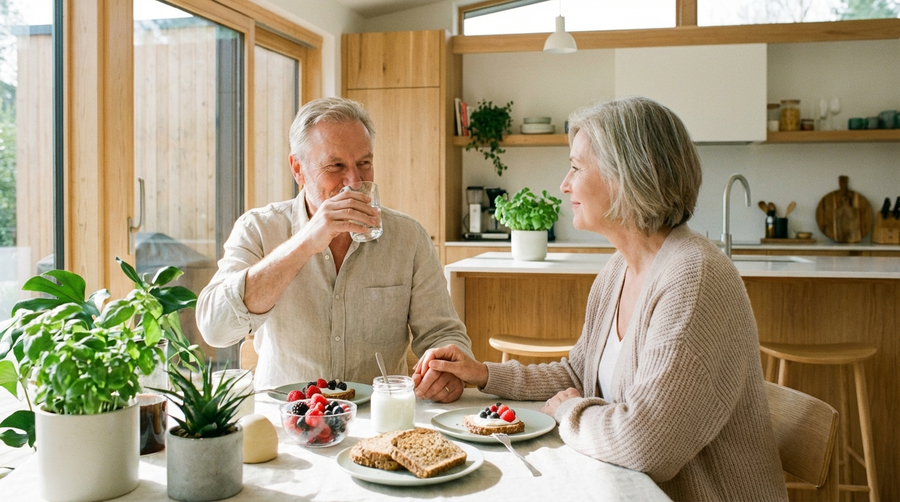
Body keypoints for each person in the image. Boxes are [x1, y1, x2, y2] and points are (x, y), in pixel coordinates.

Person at [414, 97, 788, 500]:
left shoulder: (693, 280)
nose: (564, 184)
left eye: (576, 167)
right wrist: (485, 374)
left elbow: (649, 445)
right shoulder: (619, 269)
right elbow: (579, 376)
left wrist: (568, 412)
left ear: (626, 176)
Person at [197, 97, 473, 401]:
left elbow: (443, 333)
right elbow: (215, 330)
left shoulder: (409, 238)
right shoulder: (258, 229)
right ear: (298, 169)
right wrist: (305, 242)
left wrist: (447, 369)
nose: (354, 181)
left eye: (364, 164)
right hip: (286, 420)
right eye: (335, 165)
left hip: (377, 419)